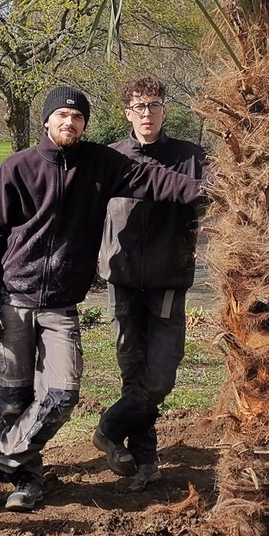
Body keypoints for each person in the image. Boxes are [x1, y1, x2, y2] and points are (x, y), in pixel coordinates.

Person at [0, 86, 204, 512]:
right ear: (47, 120)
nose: (69, 122)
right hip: (13, 298)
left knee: (61, 394)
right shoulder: (17, 168)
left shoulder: (100, 163)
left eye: (77, 117)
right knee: (14, 396)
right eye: (61, 115)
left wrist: (210, 191)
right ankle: (28, 479)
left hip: (60, 303)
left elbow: (155, 180)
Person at [93, 75, 208, 492]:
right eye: (138, 106)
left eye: (154, 105)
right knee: (133, 371)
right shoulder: (111, 158)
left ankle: (108, 429)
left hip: (167, 281)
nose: (147, 113)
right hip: (121, 281)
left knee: (159, 376)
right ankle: (144, 460)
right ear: (127, 112)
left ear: (165, 109)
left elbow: (218, 201)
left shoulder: (190, 157)